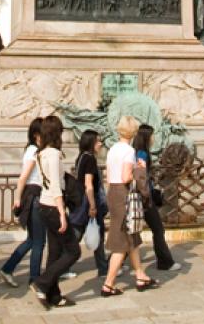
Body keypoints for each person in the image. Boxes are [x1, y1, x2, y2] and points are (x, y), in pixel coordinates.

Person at [102, 115, 157, 297]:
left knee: (131, 237)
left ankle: (140, 275)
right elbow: (127, 177)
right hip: (124, 194)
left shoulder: (112, 150)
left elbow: (109, 176)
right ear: (133, 132)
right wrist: (138, 168)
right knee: (122, 241)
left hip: (113, 192)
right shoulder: (128, 151)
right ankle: (108, 284)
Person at [31, 115, 80, 309]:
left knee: (55, 251)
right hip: (53, 206)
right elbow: (55, 186)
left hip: (44, 204)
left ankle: (54, 295)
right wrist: (62, 213)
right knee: (73, 251)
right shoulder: (52, 154)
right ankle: (42, 282)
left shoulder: (40, 154)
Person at [0, 117, 46, 287]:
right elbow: (23, 178)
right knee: (39, 242)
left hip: (34, 195)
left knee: (32, 240)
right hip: (34, 197)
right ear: (36, 135)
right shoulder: (33, 151)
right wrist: (17, 198)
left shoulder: (35, 150)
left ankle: (8, 268)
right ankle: (34, 278)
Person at [132, 124, 180, 271]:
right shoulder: (142, 154)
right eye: (152, 135)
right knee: (158, 229)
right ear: (147, 137)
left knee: (131, 232)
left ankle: (115, 263)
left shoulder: (138, 152)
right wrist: (147, 193)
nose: (154, 138)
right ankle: (165, 262)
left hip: (142, 196)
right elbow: (140, 177)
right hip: (145, 198)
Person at [72, 129, 108, 276]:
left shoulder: (81, 157)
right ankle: (102, 267)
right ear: (91, 143)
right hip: (89, 202)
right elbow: (89, 183)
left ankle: (103, 267)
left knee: (88, 232)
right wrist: (93, 205)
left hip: (82, 200)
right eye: (98, 141)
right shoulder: (90, 159)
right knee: (90, 232)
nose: (100, 144)